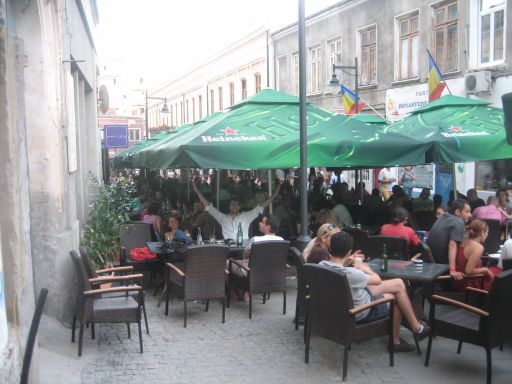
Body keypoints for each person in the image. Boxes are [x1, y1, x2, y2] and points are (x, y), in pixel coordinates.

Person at [320, 232, 430, 352]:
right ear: (348, 252)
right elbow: (377, 280)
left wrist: (347, 261)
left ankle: (416, 327)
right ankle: (396, 342)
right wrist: (364, 268)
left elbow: (338, 266)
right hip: (359, 311)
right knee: (395, 300)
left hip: (341, 305)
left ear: (331, 248)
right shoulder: (352, 274)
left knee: (398, 283)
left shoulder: (322, 265)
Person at [191, 179, 281, 241]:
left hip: (243, 248)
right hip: (228, 249)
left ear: (240, 207)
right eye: (232, 204)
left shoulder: (247, 216)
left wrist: (275, 193)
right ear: (229, 207)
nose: (234, 206)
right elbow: (209, 207)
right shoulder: (222, 217)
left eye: (236, 204)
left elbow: (261, 206)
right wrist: (197, 191)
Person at [426, 199, 471, 280]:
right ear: (457, 212)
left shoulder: (444, 215)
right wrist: (452, 270)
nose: (470, 215)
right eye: (467, 212)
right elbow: (452, 245)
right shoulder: (459, 222)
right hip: (442, 263)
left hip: (431, 260)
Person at [453, 219, 502, 291]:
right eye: (487, 232)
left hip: (458, 281)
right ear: (482, 232)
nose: (487, 235)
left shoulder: (463, 241)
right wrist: (485, 270)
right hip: (471, 285)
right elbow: (468, 271)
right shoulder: (478, 247)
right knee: (500, 275)